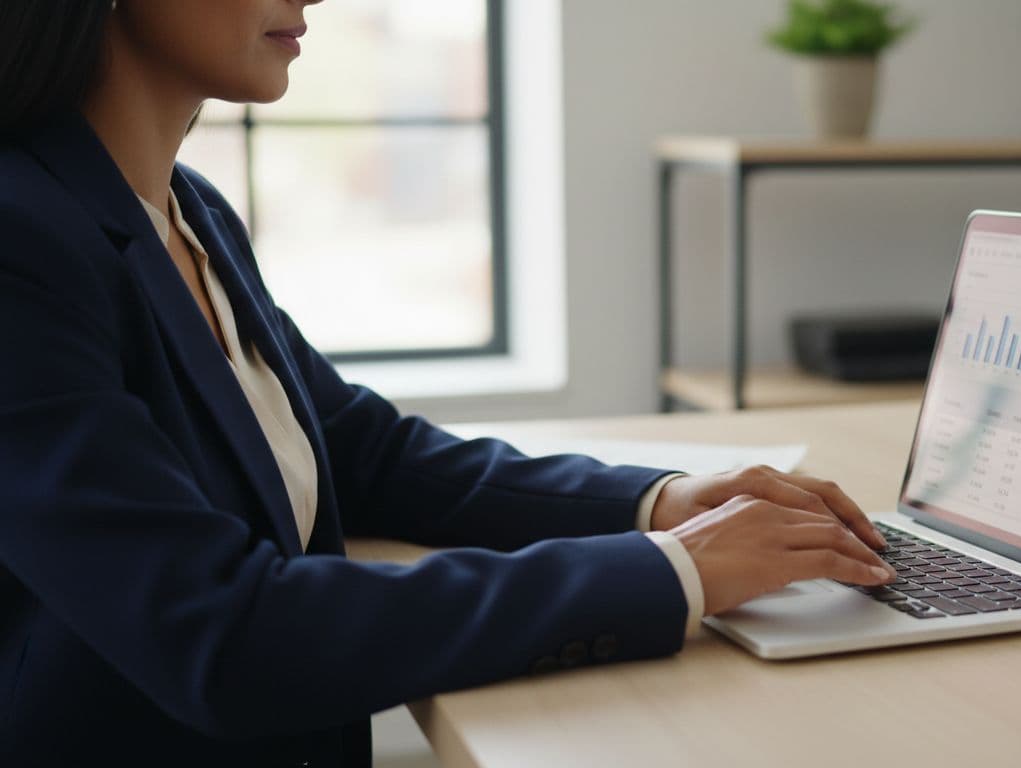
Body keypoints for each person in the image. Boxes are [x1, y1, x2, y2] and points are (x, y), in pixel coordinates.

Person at [0, 1, 896, 765]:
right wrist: (671, 572)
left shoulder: (187, 209)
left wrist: (660, 502)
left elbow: (365, 453)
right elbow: (220, 632)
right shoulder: (20, 240)